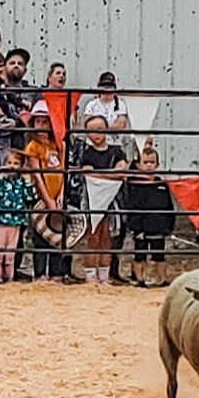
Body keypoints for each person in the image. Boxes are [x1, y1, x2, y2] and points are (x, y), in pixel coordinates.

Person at [77, 116, 128, 284]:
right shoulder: (87, 153)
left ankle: (104, 275)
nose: (96, 134)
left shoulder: (117, 151)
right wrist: (111, 175)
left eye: (99, 129)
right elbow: (88, 174)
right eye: (91, 130)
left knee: (107, 238)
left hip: (111, 201)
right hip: (92, 200)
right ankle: (90, 275)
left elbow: (121, 172)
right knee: (92, 237)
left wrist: (101, 176)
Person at [23, 99, 68, 282]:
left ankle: (56, 272)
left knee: (57, 233)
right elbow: (37, 175)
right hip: (41, 197)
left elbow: (63, 171)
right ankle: (40, 272)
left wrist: (61, 196)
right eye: (38, 122)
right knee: (41, 234)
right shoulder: (33, 147)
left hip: (58, 195)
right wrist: (47, 199)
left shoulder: (60, 145)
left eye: (45, 121)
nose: (41, 126)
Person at [126, 145, 175, 287]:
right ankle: (140, 279)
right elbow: (131, 206)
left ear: (158, 164)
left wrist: (169, 223)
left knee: (159, 254)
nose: (148, 166)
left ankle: (162, 279)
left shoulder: (161, 183)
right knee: (140, 254)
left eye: (152, 162)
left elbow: (168, 205)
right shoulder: (134, 184)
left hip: (158, 225)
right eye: (145, 162)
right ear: (138, 164)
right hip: (140, 226)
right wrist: (134, 226)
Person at [0, 149, 37, 284]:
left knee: (10, 252)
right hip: (0, 220)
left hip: (16, 221)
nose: (12, 166)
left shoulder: (21, 182)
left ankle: (9, 278)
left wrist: (28, 180)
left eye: (16, 163)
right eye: (9, 162)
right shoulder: (1, 180)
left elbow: (31, 196)